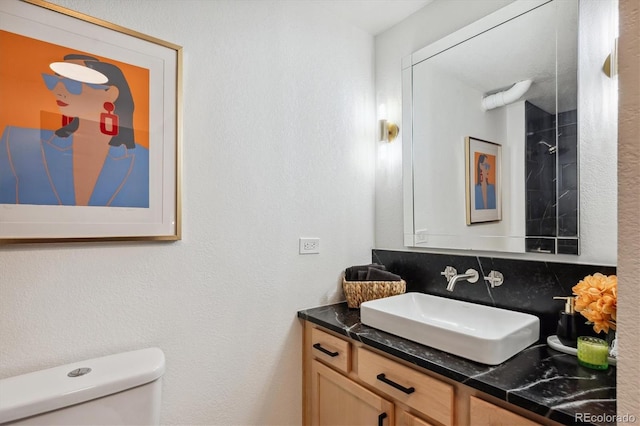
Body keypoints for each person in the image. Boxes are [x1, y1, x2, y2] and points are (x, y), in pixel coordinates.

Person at [0, 54, 148, 207]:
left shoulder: (145, 160)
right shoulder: (15, 142)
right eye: (53, 82)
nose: (58, 90)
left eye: (72, 85)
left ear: (110, 93)